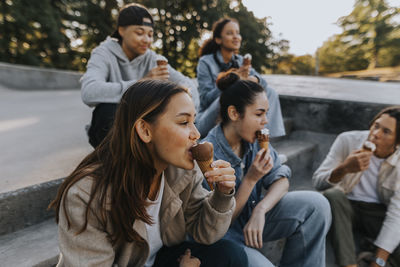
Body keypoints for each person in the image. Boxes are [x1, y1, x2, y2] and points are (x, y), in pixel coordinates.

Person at [49, 79, 248, 267]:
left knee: (230, 255)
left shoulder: (181, 172)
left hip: (160, 258)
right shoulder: (85, 195)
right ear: (145, 130)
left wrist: (222, 195)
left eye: (193, 121)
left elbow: (206, 233)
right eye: (183, 122)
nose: (196, 133)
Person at [202, 71, 331, 267]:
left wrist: (261, 210)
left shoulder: (253, 140)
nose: (265, 121)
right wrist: (251, 180)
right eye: (259, 114)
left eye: (266, 113)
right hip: (222, 237)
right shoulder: (208, 155)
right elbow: (217, 225)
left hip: (252, 216)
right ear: (234, 113)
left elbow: (281, 179)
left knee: (316, 205)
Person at [81, 3, 199, 148]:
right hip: (111, 128)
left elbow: (189, 85)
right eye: (139, 33)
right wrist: (142, 84)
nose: (146, 40)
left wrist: (189, 117)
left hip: (144, 128)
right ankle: (114, 163)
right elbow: (89, 92)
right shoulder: (103, 53)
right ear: (122, 30)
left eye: (150, 35)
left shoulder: (154, 59)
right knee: (106, 109)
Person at [313, 106, 400, 267]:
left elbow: (397, 213)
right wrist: (343, 169)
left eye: (386, 132)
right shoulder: (348, 140)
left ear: (397, 142)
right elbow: (318, 182)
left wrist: (378, 262)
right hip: (345, 206)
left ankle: (370, 256)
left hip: (378, 212)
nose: (375, 134)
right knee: (333, 195)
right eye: (376, 125)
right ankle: (349, 264)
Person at [196, 18, 285, 138]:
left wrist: (254, 79)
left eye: (237, 33)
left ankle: (264, 141)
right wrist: (232, 81)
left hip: (236, 116)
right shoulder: (206, 62)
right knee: (228, 95)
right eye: (229, 33)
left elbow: (263, 83)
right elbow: (206, 99)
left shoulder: (241, 61)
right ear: (218, 39)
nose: (235, 36)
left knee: (270, 92)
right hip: (208, 118)